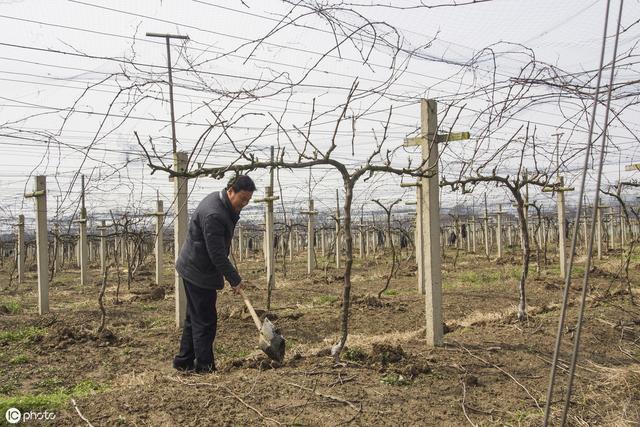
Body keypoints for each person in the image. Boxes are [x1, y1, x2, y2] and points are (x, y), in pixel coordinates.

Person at [172, 175, 256, 373]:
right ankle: (205, 367)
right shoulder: (214, 215)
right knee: (205, 321)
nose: (244, 204)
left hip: (195, 266)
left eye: (248, 200)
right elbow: (217, 255)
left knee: (194, 318)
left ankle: (183, 361)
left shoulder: (220, 203)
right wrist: (235, 280)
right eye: (242, 199)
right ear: (230, 192)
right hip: (198, 271)